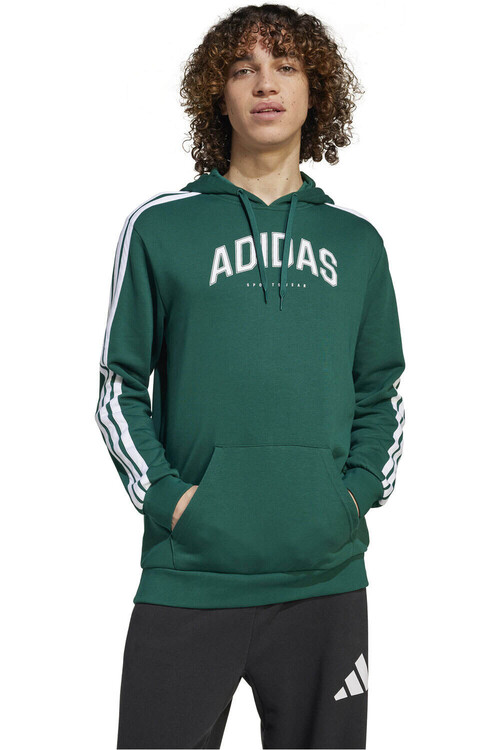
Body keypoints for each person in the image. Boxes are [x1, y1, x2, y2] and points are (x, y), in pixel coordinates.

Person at [95, 4, 406, 748]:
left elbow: (382, 390)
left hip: (326, 581)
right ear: (220, 93)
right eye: (244, 69)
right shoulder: (161, 226)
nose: (266, 85)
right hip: (190, 576)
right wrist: (171, 500)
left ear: (314, 91)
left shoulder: (357, 242)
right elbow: (118, 386)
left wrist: (353, 498)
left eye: (285, 67)